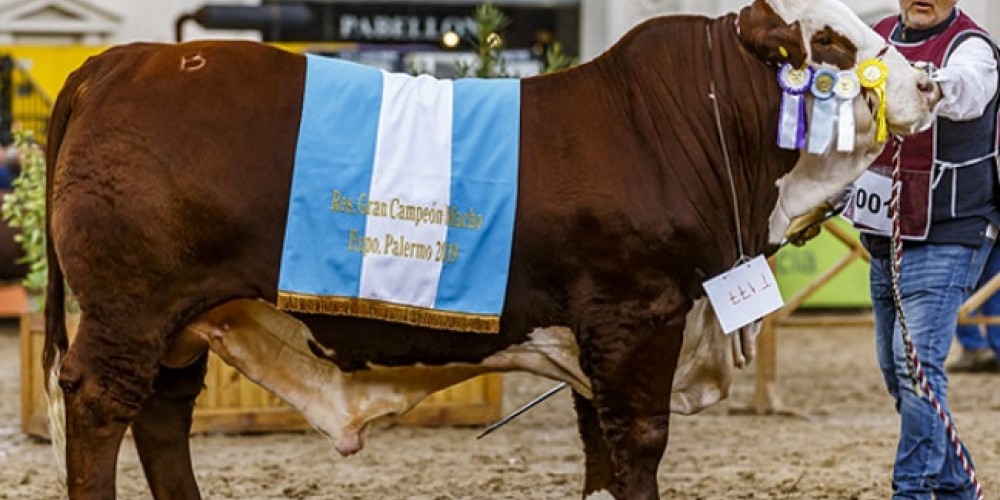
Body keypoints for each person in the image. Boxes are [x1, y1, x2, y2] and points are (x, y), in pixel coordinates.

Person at [845, 0, 1000, 498]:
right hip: (885, 232)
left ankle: (911, 491)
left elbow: (968, 90)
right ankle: (957, 489)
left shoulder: (972, 47)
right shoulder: (877, 36)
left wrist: (930, 85)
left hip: (950, 227)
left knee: (917, 370)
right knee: (900, 374)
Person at [951, 245, 1000, 372]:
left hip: (972, 236)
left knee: (960, 284)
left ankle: (974, 347)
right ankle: (994, 348)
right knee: (993, 289)